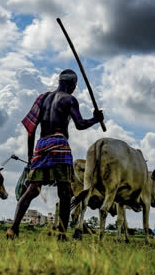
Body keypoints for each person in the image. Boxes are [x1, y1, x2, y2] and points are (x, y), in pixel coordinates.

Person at [7, 69, 104, 239]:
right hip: (59, 145)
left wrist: (31, 158)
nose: (74, 89)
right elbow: (80, 124)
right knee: (65, 191)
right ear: (71, 85)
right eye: (74, 86)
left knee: (32, 189)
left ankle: (13, 229)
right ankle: (61, 234)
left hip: (41, 145)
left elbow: (31, 130)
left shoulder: (43, 98)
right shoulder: (70, 100)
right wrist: (96, 119)